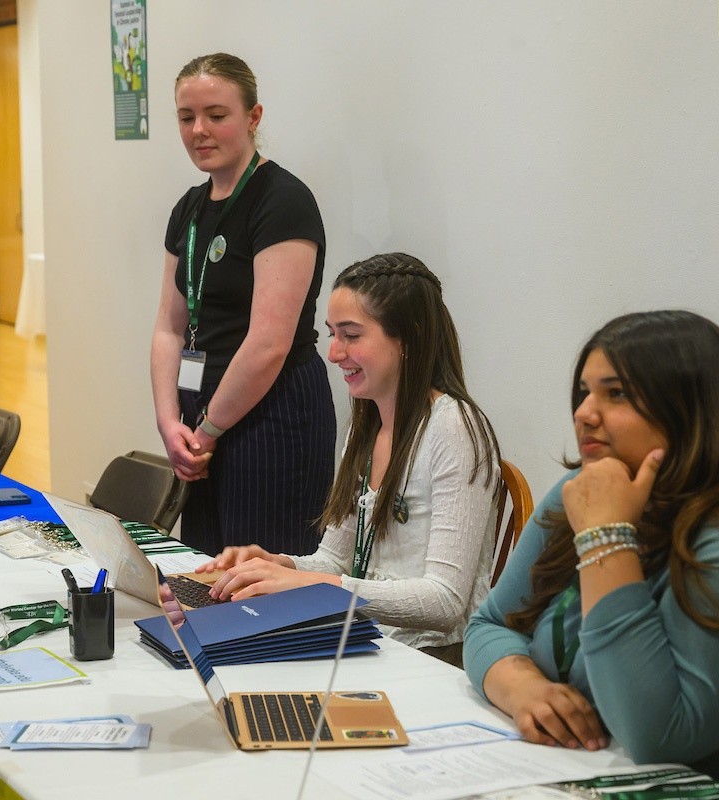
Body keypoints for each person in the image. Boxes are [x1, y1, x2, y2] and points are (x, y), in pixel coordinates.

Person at [463, 311, 719, 790]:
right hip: (572, 771)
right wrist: (523, 688)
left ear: (692, 409)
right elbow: (489, 624)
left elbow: (658, 736)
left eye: (615, 394)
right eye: (584, 393)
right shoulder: (582, 489)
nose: (584, 413)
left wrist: (606, 538)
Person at [197, 253, 502, 666]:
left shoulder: (455, 427)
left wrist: (313, 583)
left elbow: (445, 600)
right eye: (332, 335)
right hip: (365, 640)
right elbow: (336, 560)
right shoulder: (367, 429)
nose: (335, 352)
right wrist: (277, 564)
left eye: (352, 335)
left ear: (408, 338)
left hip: (431, 657)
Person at [151, 53, 336, 557]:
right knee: (207, 575)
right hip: (199, 424)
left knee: (261, 590)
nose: (199, 131)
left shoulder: (283, 201)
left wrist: (208, 429)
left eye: (216, 114)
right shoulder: (188, 208)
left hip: (271, 415)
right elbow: (170, 328)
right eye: (186, 117)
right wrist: (171, 425)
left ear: (253, 118)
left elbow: (269, 344)